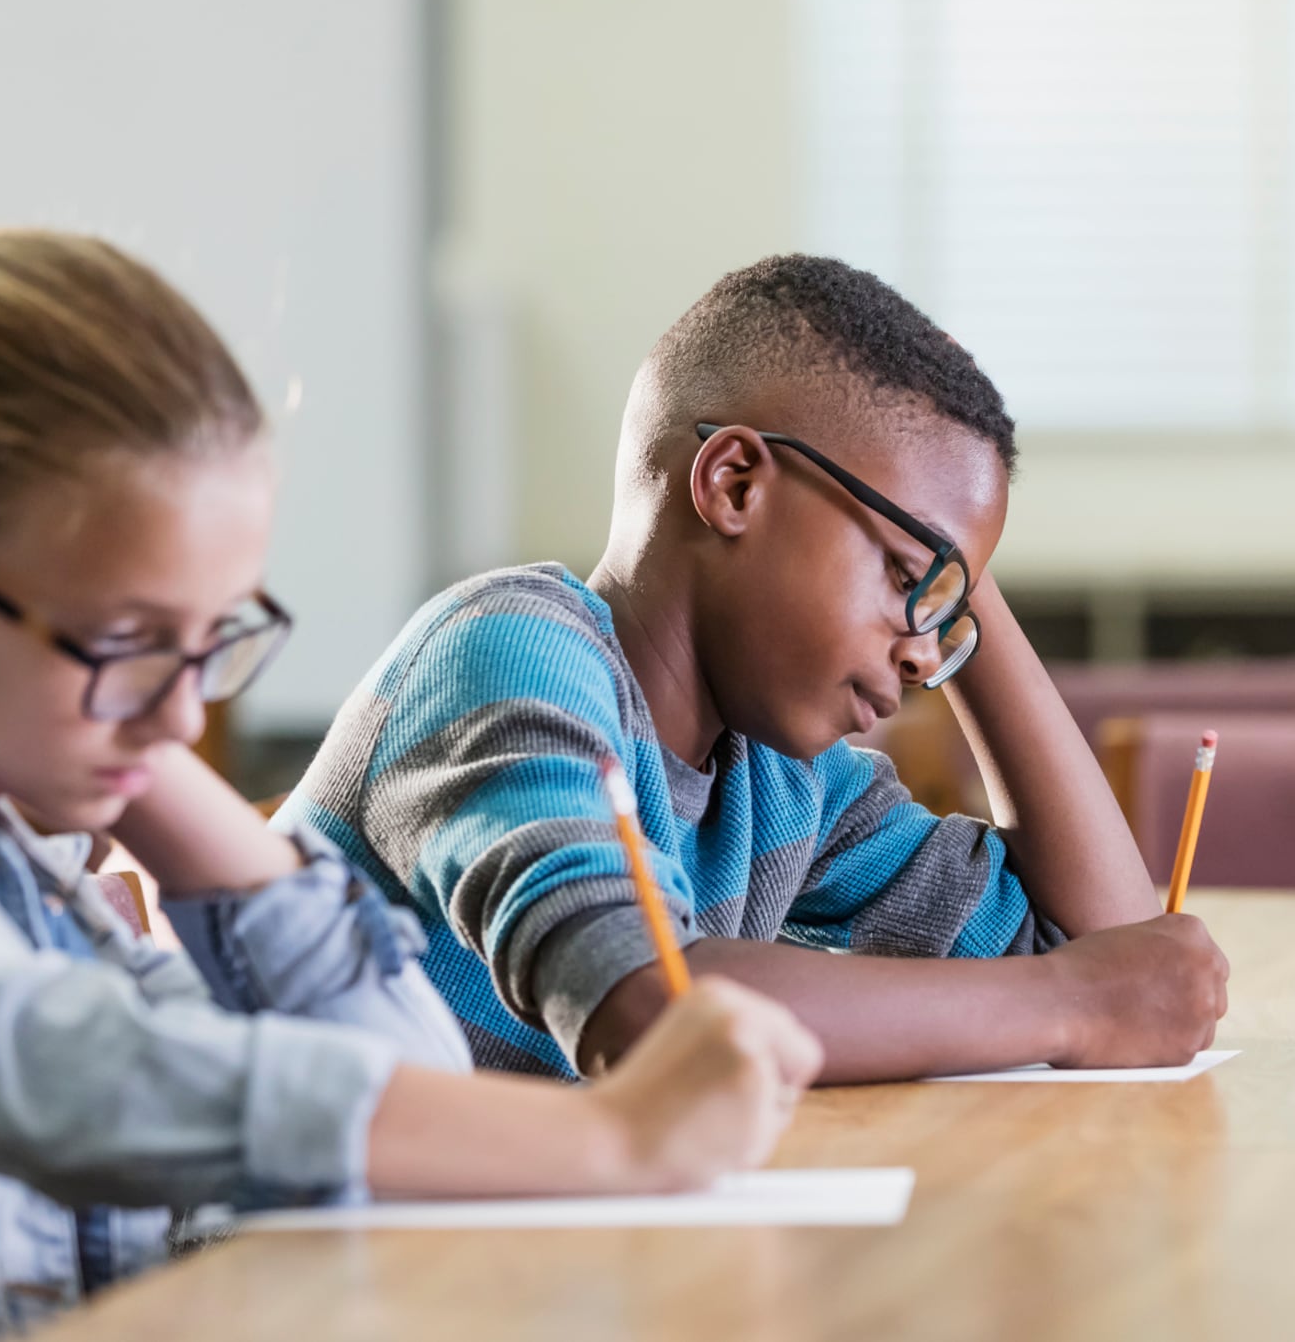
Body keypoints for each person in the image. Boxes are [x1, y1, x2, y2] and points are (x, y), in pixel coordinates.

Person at [0, 229, 820, 1340]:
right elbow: (58, 1071)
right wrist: (613, 1141)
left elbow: (396, 1061)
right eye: (126, 640)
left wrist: (156, 783)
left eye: (210, 642)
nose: (187, 716)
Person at [286, 254, 1229, 1083]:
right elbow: (651, 1006)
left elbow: (1099, 951)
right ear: (734, 485)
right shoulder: (505, 655)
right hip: (285, 1278)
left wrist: (956, 560)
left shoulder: (780, 779)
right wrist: (1068, 1001)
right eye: (909, 577)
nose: (928, 650)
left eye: (952, 603)